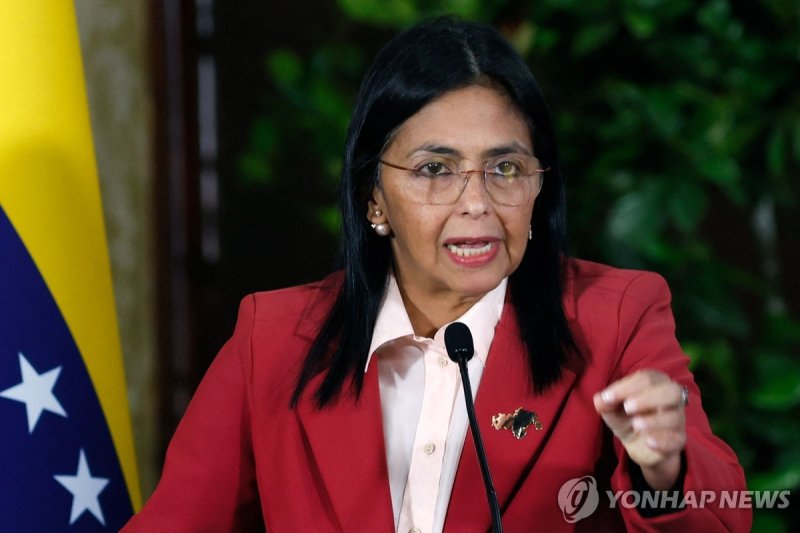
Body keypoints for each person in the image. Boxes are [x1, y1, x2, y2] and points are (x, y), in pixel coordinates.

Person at [124, 17, 750, 532]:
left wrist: (663, 472)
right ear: (373, 196)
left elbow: (724, 519)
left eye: (505, 169)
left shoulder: (616, 316)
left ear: (540, 187)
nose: (477, 202)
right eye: (434, 170)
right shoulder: (273, 336)